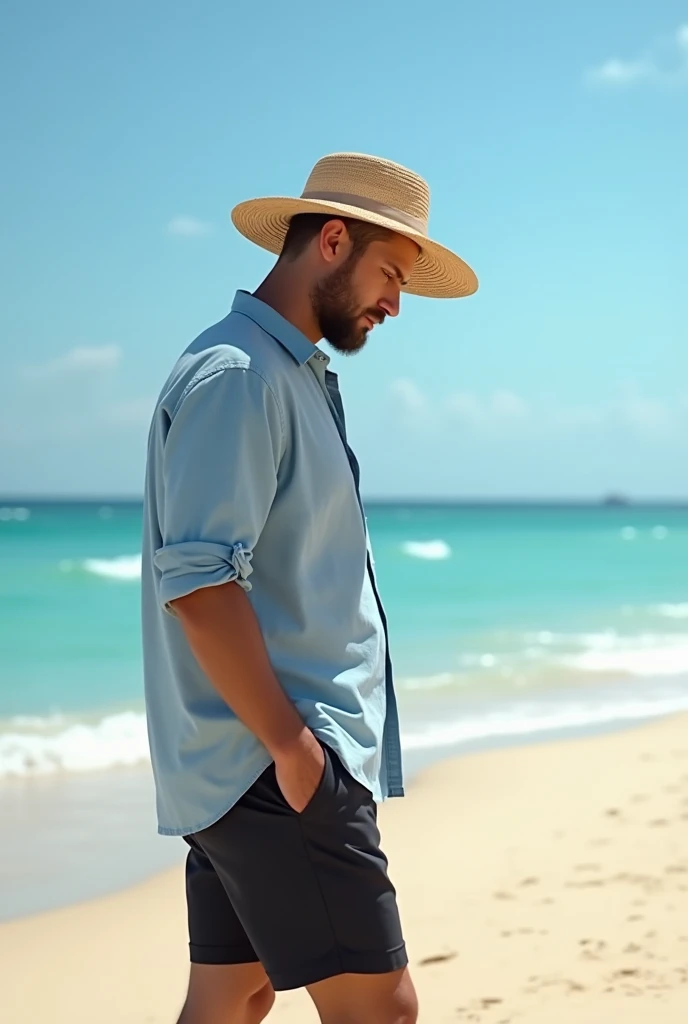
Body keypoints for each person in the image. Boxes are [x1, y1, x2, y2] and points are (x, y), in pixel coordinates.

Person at [141, 151, 478, 1024]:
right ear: (332, 240)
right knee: (382, 1010)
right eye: (391, 275)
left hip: (251, 762)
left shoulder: (287, 372)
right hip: (273, 761)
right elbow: (201, 583)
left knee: (234, 995)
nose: (396, 304)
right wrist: (294, 752)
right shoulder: (241, 376)